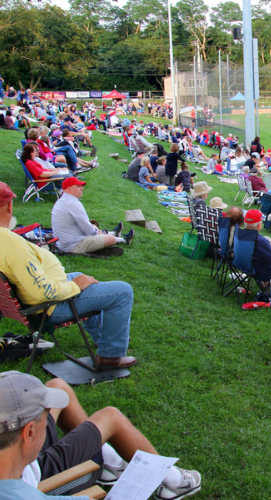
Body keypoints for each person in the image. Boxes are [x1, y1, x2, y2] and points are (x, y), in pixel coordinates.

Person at [0, 371, 201, 500]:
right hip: (38, 473)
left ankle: (110, 463)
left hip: (17, 463)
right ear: (30, 432)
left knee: (58, 387)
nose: (48, 427)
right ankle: (175, 481)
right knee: (111, 417)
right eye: (44, 423)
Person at [0, 183, 135, 368]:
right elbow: (43, 291)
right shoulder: (11, 243)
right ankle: (110, 356)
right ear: (9, 206)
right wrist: (76, 286)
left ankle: (103, 339)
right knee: (123, 292)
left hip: (39, 297)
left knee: (83, 277)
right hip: (49, 306)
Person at [51, 178, 134, 254]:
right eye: (78, 186)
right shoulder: (73, 203)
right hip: (72, 245)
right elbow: (86, 227)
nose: (82, 188)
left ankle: (114, 233)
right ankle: (123, 240)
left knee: (93, 226)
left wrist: (94, 231)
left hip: (65, 241)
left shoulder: (62, 201)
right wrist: (96, 233)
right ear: (70, 189)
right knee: (110, 239)